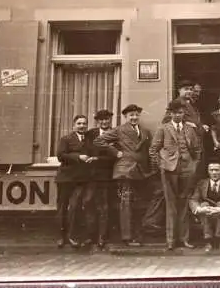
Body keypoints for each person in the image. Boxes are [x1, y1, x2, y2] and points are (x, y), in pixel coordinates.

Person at [94, 104, 152, 247]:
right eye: (131, 115)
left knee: (137, 204)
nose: (134, 117)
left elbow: (148, 151)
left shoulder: (145, 131)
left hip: (141, 172)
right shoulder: (120, 130)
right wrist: (115, 152)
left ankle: (136, 235)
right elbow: (98, 141)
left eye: (136, 115)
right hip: (125, 171)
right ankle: (127, 237)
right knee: (125, 204)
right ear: (126, 117)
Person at [150, 98, 202, 251]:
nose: (178, 115)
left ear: (184, 113)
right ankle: (170, 241)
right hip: (169, 170)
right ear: (170, 113)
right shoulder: (164, 128)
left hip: (187, 169)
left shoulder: (189, 129)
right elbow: (153, 149)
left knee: (184, 204)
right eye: (175, 113)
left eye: (180, 113)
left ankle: (184, 239)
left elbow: (197, 149)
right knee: (171, 205)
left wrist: (194, 165)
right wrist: (161, 165)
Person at [82, 109, 115, 250]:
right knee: (88, 203)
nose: (104, 122)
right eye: (101, 120)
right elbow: (84, 150)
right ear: (97, 121)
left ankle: (102, 237)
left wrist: (97, 159)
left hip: (106, 176)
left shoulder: (115, 135)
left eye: (106, 119)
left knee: (104, 206)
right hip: (90, 176)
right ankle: (91, 236)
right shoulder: (90, 134)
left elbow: (115, 156)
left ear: (110, 120)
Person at [55, 115, 90, 249]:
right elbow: (60, 156)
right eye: (79, 123)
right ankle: (60, 236)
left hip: (80, 180)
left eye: (84, 124)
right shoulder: (66, 139)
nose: (82, 126)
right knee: (62, 208)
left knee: (75, 207)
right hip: (65, 178)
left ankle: (72, 236)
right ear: (74, 125)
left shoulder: (89, 140)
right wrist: (78, 157)